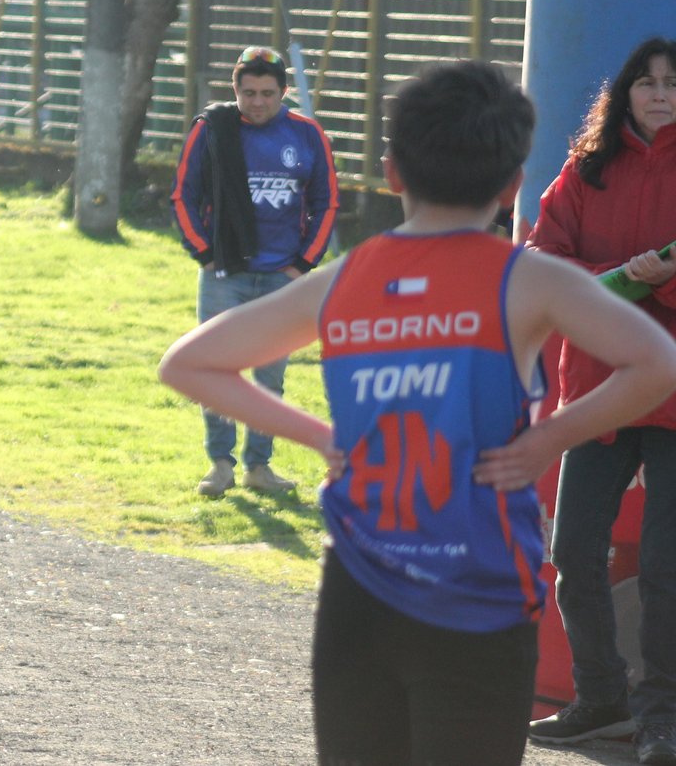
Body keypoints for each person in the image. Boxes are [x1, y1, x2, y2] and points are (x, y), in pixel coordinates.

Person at [158, 60, 676, 766]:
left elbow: (187, 363)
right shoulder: (527, 278)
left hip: (362, 589)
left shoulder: (346, 277)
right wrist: (551, 437)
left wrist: (320, 435)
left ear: (392, 171)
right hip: (483, 591)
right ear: (512, 183)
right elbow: (657, 362)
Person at [525, 37, 676, 765]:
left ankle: (663, 718)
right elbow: (539, 260)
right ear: (625, 92)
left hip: (674, 397)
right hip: (595, 390)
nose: (660, 94)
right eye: (647, 83)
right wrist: (617, 276)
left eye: (672, 83)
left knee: (667, 562)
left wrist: (662, 280)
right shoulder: (585, 169)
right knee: (572, 551)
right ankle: (603, 701)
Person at [169, 45, 339, 496]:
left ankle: (259, 468)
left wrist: (302, 266)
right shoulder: (212, 130)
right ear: (235, 90)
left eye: (267, 93)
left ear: (283, 92)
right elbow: (182, 196)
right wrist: (206, 254)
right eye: (248, 93)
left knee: (271, 377)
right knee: (216, 370)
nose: (257, 102)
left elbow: (326, 203)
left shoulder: (307, 135)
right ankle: (220, 465)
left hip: (282, 280)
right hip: (225, 273)